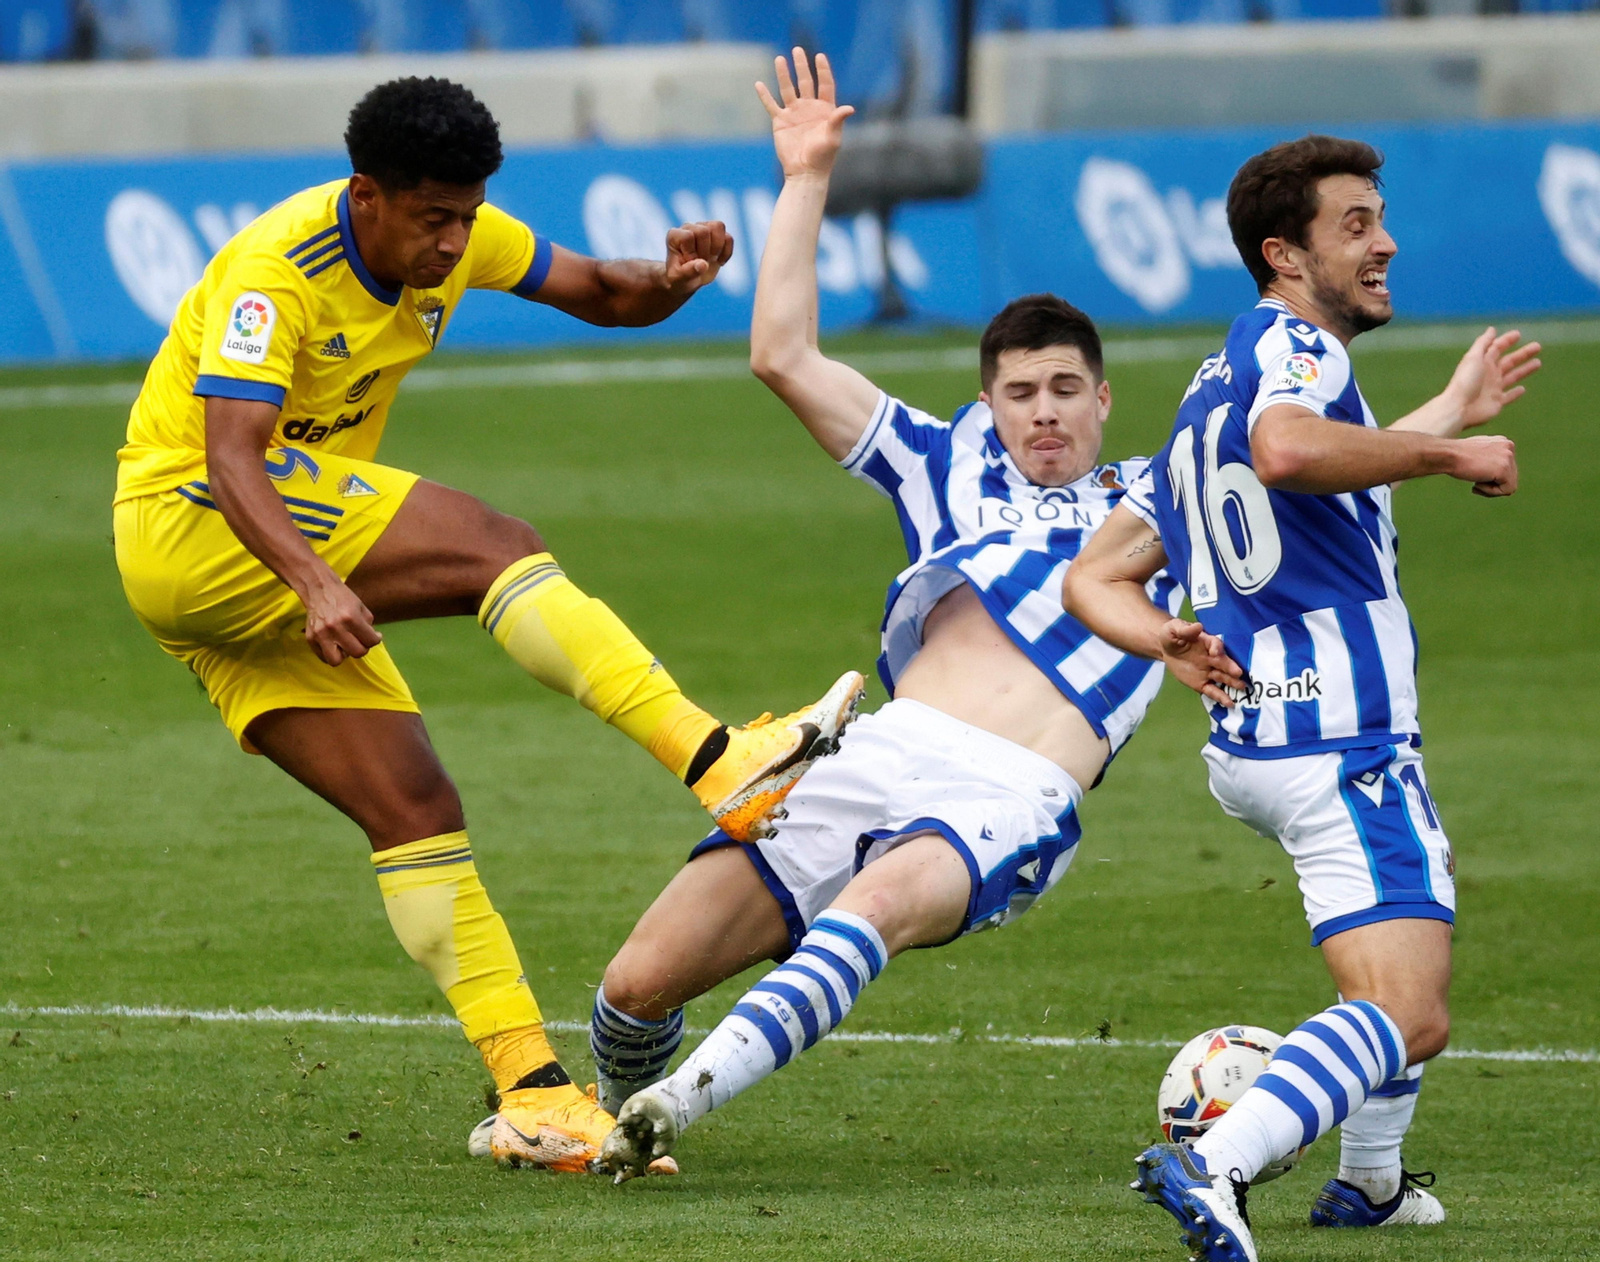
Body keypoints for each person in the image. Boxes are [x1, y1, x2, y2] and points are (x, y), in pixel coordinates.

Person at [111, 75, 863, 1175]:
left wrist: (671, 281)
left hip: (248, 569)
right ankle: (722, 762)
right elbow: (231, 458)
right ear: (367, 194)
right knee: (492, 546)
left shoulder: (454, 235)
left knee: (414, 809)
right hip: (196, 519)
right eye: (435, 217)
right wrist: (315, 582)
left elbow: (600, 290)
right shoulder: (278, 271)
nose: (455, 241)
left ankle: (531, 1095)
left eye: (467, 215)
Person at [589, 50, 1183, 1183]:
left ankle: (681, 1099)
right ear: (989, 402)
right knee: (635, 983)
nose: (1044, 413)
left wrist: (1442, 427)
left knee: (876, 904)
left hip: (1013, 787)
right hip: (878, 747)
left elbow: (1301, 453)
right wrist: (806, 176)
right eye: (1020, 393)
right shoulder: (944, 458)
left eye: (1066, 390)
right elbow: (781, 355)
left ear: (1104, 399)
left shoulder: (1169, 497)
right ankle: (619, 1114)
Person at [1060, 134, 1539, 1260]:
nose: (1385, 244)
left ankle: (1369, 1184)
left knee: (1406, 924)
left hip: (1258, 734)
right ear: (1283, 255)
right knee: (1410, 1009)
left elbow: (1095, 573)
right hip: (1337, 727)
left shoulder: (1212, 387)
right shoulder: (1296, 351)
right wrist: (1452, 455)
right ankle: (1215, 1161)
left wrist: (1164, 639)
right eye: (1355, 224)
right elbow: (1288, 452)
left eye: (1381, 218)